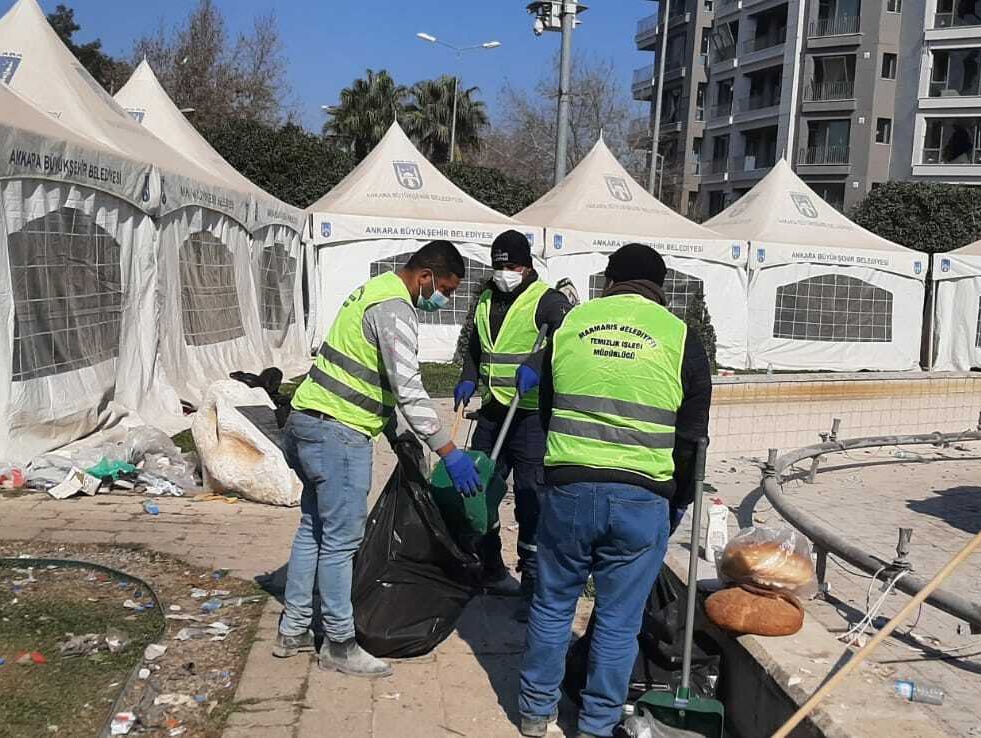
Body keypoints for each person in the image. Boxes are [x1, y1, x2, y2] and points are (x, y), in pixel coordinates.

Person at [517, 244, 712, 738]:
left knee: (552, 604)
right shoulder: (680, 336)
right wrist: (679, 500)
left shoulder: (571, 326)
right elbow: (693, 436)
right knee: (618, 620)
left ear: (609, 279)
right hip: (643, 497)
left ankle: (535, 713)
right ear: (659, 286)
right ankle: (597, 724)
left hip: (570, 490)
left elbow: (546, 410)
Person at [275, 240, 484, 678]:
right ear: (425, 275)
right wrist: (448, 451)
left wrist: (394, 433)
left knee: (314, 529)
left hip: (306, 422)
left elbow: (369, 375)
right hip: (339, 435)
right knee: (340, 543)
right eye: (444, 289)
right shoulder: (393, 308)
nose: (442, 299)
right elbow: (408, 387)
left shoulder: (369, 291)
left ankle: (293, 628)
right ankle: (339, 643)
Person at [453, 230, 571, 610]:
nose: (504, 272)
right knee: (479, 489)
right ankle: (490, 566)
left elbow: (564, 338)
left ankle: (532, 579)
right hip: (492, 410)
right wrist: (467, 376)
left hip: (530, 415)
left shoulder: (547, 301)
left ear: (527, 265)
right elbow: (477, 344)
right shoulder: (487, 297)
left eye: (511, 265)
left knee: (530, 496)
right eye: (498, 265)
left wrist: (537, 363)